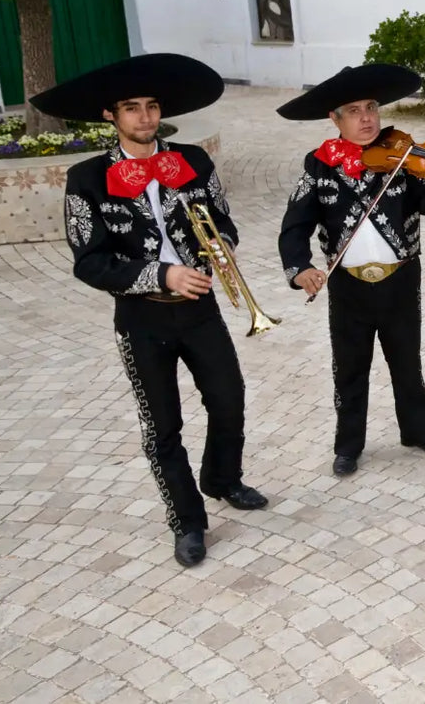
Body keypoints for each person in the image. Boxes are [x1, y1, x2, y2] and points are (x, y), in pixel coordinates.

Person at [41, 53, 267, 567]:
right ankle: (187, 521)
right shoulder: (86, 178)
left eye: (151, 106)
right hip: (141, 319)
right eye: (132, 108)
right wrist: (159, 275)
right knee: (162, 425)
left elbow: (223, 220)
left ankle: (222, 478)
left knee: (229, 400)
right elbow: (89, 262)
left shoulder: (193, 160)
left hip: (201, 306)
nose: (145, 117)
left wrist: (222, 246)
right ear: (110, 116)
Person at [277, 64, 425, 477]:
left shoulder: (403, 157)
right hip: (347, 286)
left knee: (406, 360)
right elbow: (295, 226)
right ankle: (348, 446)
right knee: (349, 367)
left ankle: (418, 431)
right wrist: (299, 267)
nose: (366, 118)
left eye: (371, 108)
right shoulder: (318, 165)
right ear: (335, 118)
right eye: (353, 110)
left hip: (400, 278)